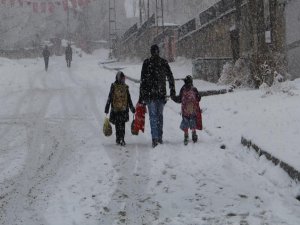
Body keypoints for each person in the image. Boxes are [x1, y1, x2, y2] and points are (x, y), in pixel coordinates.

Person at [138, 44, 176, 148]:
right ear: (158, 51)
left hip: (151, 95)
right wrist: (172, 91)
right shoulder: (163, 62)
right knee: (159, 116)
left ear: (151, 52)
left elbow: (143, 81)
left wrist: (141, 97)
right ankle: (159, 137)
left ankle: (155, 138)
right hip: (160, 94)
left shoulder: (147, 63)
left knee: (153, 117)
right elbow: (170, 77)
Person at [105, 71, 135, 146]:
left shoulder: (113, 86)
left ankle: (118, 138)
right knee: (122, 125)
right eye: (123, 78)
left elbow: (110, 98)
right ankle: (122, 139)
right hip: (123, 110)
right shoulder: (125, 87)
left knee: (118, 125)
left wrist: (107, 108)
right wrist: (132, 108)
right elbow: (129, 99)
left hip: (115, 110)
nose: (123, 80)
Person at [172, 75, 202, 145]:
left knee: (185, 121)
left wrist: (173, 98)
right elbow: (198, 98)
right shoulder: (194, 89)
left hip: (185, 110)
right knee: (193, 120)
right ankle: (194, 134)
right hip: (192, 109)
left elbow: (179, 99)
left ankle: (186, 136)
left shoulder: (183, 89)